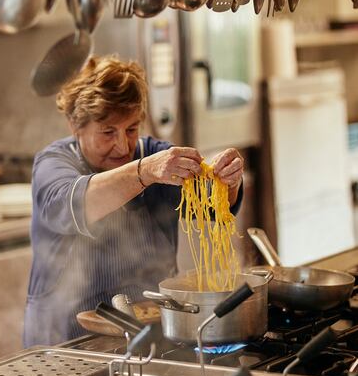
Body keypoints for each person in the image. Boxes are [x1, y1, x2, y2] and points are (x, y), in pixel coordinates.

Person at [24, 55, 244, 346]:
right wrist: (145, 172)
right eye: (107, 132)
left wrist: (228, 181)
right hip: (67, 338)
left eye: (131, 129)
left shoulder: (154, 153)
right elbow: (68, 205)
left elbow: (215, 207)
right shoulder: (54, 163)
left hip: (152, 331)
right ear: (75, 126)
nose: (123, 145)